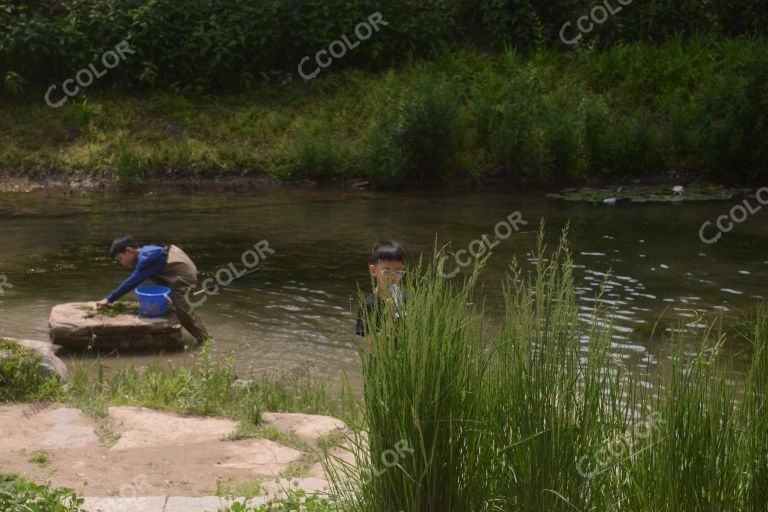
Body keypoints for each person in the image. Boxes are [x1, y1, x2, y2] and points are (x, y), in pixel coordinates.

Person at [95, 235, 210, 344]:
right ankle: (170, 303)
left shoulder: (146, 259)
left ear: (129, 250)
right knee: (154, 282)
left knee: (183, 311)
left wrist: (109, 299)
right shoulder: (146, 252)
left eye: (120, 259)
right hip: (177, 268)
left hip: (183, 275)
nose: (121, 263)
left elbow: (131, 282)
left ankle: (205, 341)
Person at [355, 240, 406, 355]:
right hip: (379, 365)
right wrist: (389, 314)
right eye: (386, 272)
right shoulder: (368, 306)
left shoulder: (405, 298)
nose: (392, 277)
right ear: (374, 270)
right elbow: (369, 347)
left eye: (398, 272)